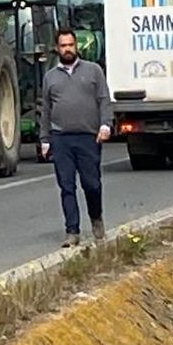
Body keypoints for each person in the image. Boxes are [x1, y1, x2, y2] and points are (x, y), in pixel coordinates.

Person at [40, 28, 112, 248]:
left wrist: (105, 125)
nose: (67, 49)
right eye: (63, 46)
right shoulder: (50, 77)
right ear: (57, 48)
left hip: (88, 137)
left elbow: (104, 99)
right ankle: (72, 231)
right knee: (67, 186)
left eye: (70, 45)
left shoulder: (93, 71)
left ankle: (96, 220)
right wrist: (45, 139)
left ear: (76, 46)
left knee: (91, 184)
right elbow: (46, 109)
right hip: (61, 139)